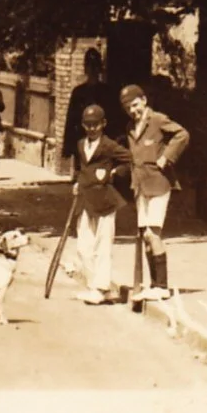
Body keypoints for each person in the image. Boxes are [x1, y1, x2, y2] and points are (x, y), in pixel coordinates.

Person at [121, 83, 190, 302]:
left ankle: (162, 286)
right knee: (146, 236)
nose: (133, 111)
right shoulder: (130, 128)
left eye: (135, 105)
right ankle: (152, 284)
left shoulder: (158, 119)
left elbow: (182, 134)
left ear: (144, 100)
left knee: (153, 233)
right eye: (128, 108)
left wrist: (167, 157)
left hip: (159, 184)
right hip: (141, 186)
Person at [66, 103, 131, 304]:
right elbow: (81, 167)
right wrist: (77, 181)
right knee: (84, 247)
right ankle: (96, 287)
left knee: (102, 246)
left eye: (95, 124)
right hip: (86, 200)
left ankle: (100, 287)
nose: (91, 128)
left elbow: (129, 160)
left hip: (105, 201)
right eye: (87, 124)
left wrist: (114, 173)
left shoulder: (109, 145)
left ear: (103, 124)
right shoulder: (80, 144)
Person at [58, 48, 119, 172]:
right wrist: (68, 147)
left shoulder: (107, 92)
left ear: (99, 68)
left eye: (95, 66)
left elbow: (113, 118)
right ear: (85, 68)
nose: (92, 70)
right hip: (83, 140)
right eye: (89, 66)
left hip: (102, 142)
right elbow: (71, 119)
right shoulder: (78, 92)